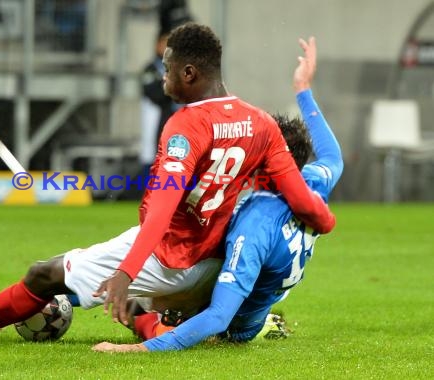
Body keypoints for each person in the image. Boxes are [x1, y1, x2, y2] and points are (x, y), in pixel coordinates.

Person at [0, 24, 336, 341]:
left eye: (166, 69)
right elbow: (304, 201)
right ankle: (153, 323)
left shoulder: (185, 126)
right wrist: (325, 223)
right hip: (212, 265)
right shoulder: (260, 123)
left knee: (45, 273)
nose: (161, 79)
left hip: (167, 257)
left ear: (189, 74)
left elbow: (163, 211)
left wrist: (127, 272)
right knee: (132, 296)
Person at [92, 36, 344, 352]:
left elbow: (219, 318)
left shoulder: (255, 226)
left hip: (232, 327)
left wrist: (135, 351)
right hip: (268, 286)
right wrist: (303, 89)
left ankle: (150, 319)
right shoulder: (314, 181)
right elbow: (333, 157)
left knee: (150, 304)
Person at [139, 0, 192, 177]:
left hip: (178, 123)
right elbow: (156, 94)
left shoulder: (179, 68)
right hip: (156, 123)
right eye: (164, 43)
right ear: (157, 45)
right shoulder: (149, 69)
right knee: (154, 163)